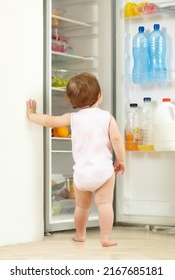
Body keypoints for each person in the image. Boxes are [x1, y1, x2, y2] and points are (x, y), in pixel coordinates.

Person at [27, 72, 125, 247]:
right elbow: (117, 139)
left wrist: (32, 115)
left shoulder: (72, 118)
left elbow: (50, 121)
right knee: (104, 204)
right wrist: (121, 160)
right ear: (99, 96)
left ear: (72, 102)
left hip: (82, 174)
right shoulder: (106, 117)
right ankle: (106, 238)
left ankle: (80, 234)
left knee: (82, 207)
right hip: (103, 171)